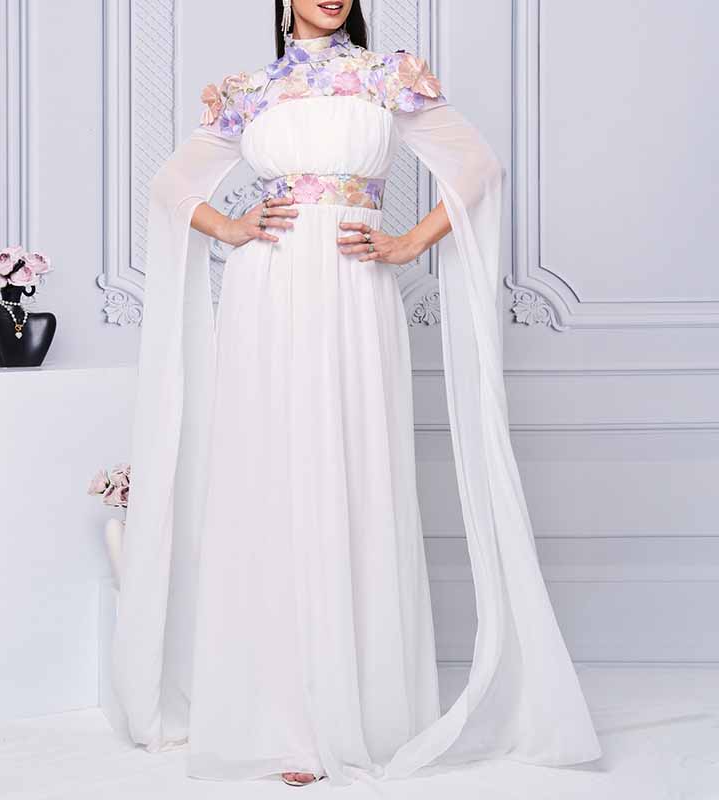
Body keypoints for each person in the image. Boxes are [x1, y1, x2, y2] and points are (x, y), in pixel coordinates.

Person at [109, 0, 603, 788]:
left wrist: (408, 243)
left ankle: (352, 717)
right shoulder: (250, 90)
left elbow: (478, 170)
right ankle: (277, 721)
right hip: (266, 290)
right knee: (271, 478)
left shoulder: (385, 77)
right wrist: (230, 228)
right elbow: (172, 187)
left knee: (352, 471)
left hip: (353, 285)